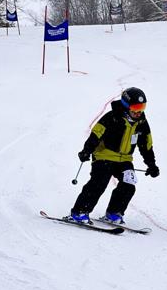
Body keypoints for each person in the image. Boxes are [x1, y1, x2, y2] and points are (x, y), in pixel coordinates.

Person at [68, 87, 159, 224]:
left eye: (142, 107)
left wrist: (151, 165)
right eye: (135, 107)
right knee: (99, 182)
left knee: (129, 184)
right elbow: (96, 134)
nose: (138, 111)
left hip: (125, 159)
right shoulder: (111, 118)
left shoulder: (142, 124)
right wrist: (87, 150)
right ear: (126, 105)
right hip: (104, 156)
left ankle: (114, 213)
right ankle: (79, 212)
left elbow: (146, 145)